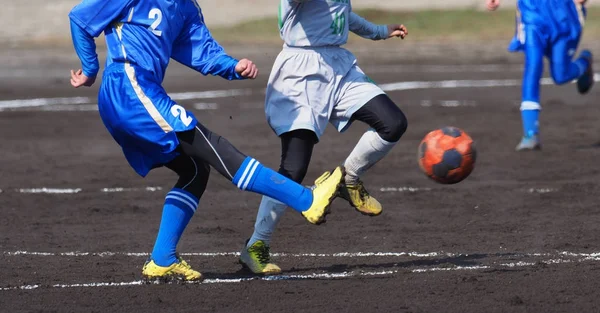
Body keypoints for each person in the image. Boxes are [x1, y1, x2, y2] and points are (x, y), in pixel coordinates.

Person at [68, 0, 344, 283]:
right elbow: (79, 18)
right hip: (128, 87)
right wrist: (90, 68)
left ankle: (162, 259)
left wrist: (233, 66)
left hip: (137, 93)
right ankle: (307, 200)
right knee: (213, 147)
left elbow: (201, 51)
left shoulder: (185, 7)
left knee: (195, 170)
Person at [239, 0, 409, 275]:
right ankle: (256, 245)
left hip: (338, 66)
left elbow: (340, 13)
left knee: (393, 123)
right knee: (294, 169)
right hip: (299, 74)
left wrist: (378, 31)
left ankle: (349, 178)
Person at [487, 0, 594, 151]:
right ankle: (530, 134)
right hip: (532, 9)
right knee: (533, 64)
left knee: (561, 75)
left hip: (564, 10)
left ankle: (584, 63)